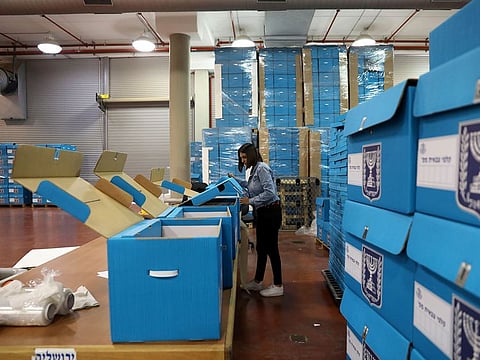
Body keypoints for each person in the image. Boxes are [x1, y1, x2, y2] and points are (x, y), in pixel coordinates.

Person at [228, 143, 283, 297]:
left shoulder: (262, 168)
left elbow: (270, 193)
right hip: (263, 212)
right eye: (241, 158)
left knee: (272, 248)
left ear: (251, 155)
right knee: (261, 248)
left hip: (271, 212)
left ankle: (278, 285)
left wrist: (249, 201)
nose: (243, 160)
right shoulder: (254, 170)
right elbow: (251, 186)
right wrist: (236, 180)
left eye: (245, 157)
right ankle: (258, 281)